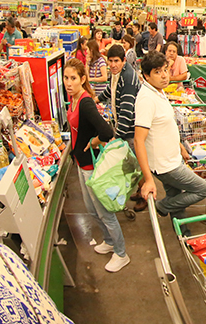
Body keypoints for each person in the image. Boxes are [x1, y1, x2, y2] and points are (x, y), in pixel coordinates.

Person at [63, 59, 130, 272]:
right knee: (92, 210)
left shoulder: (84, 102)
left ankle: (121, 253)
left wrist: (93, 142)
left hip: (92, 167)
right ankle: (109, 241)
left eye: (73, 78)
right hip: (82, 165)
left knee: (104, 212)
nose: (68, 83)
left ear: (83, 79)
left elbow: (106, 131)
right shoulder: (73, 100)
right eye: (66, 78)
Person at [134, 52, 206, 233]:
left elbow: (164, 126)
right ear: (146, 75)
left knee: (176, 196)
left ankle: (183, 233)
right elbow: (138, 140)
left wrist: (180, 146)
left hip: (171, 157)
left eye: (165, 70)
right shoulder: (146, 99)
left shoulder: (158, 92)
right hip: (165, 165)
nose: (164, 76)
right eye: (157, 72)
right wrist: (148, 179)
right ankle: (162, 207)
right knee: (203, 189)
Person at [97, 45, 144, 211]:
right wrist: (97, 99)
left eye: (116, 61)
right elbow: (111, 90)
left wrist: (117, 136)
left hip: (131, 129)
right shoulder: (116, 75)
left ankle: (145, 195)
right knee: (130, 164)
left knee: (136, 164)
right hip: (123, 127)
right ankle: (140, 190)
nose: (113, 64)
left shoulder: (128, 78)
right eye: (110, 61)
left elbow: (127, 111)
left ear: (124, 61)